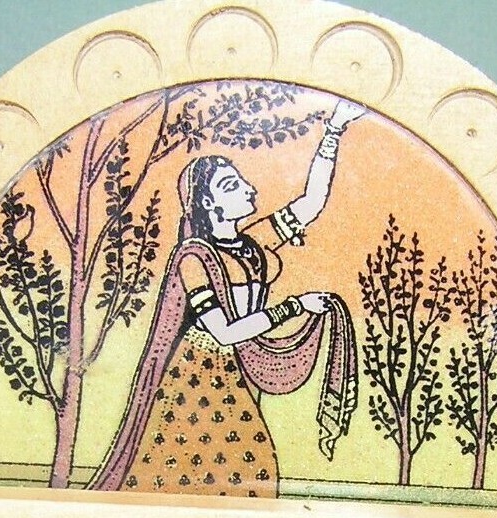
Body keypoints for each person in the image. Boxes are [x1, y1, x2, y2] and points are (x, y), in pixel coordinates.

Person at [89, 100, 363, 496]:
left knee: (247, 472)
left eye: (242, 182)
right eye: (232, 186)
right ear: (208, 203)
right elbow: (224, 332)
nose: (249, 189)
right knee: (234, 469)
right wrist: (294, 306)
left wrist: (334, 131)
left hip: (239, 366)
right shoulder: (195, 258)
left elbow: (311, 203)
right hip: (199, 378)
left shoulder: (253, 244)